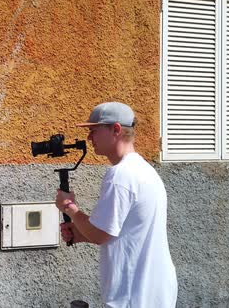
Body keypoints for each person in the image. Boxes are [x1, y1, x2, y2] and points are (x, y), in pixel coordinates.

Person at [55, 102, 178, 307]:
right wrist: (80, 234)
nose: (89, 137)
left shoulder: (120, 175)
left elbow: (100, 234)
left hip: (133, 295)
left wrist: (69, 206)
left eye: (94, 130)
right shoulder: (144, 170)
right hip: (154, 293)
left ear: (116, 129)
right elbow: (123, 230)